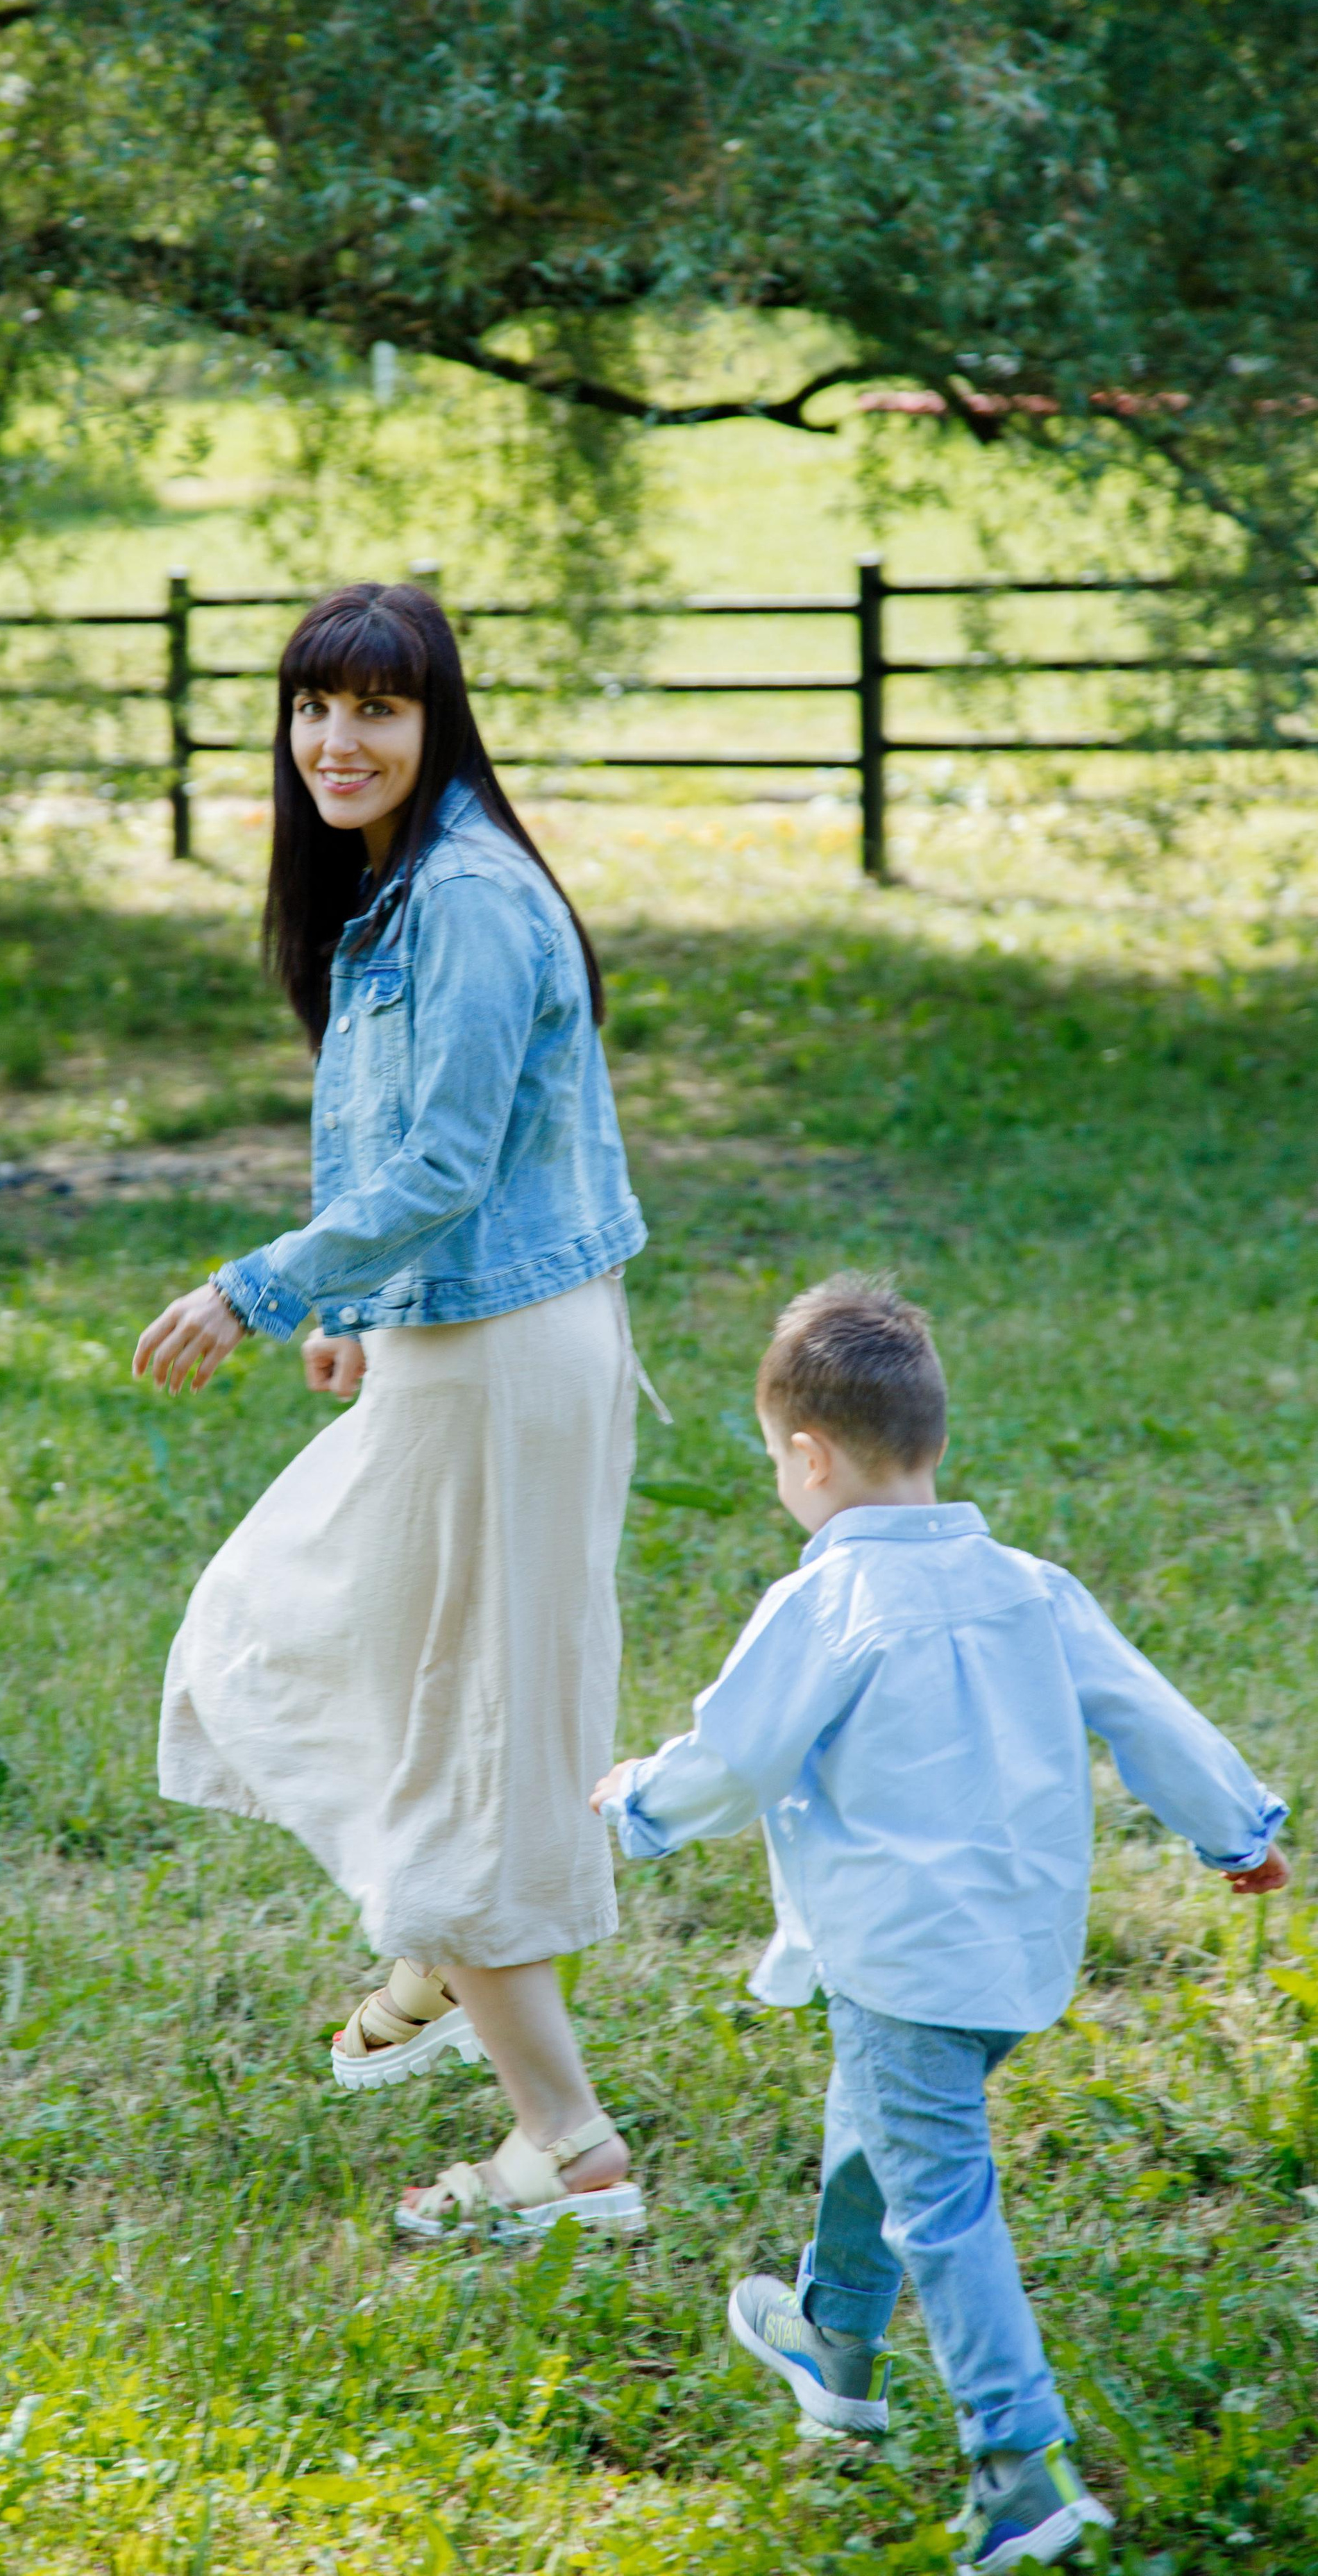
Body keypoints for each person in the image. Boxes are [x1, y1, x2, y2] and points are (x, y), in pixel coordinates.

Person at [591, 1274, 1288, 2575]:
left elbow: (737, 1761)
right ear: (933, 1444)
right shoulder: (1035, 1586)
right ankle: (836, 2343)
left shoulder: (823, 1604)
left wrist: (636, 1804)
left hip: (899, 1956)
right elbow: (1152, 1716)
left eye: (775, 1466)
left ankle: (1021, 2472)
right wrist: (1237, 1829)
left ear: (806, 1457)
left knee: (945, 2204)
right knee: (891, 2124)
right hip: (1015, 1953)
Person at [135, 580, 651, 2239]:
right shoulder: (406, 890)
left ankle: (563, 2151)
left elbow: (439, 1160)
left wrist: (259, 1287)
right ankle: (442, 1952)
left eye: (375, 710)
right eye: (311, 708)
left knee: (457, 1727)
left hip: (508, 1357)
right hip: (473, 1335)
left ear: (437, 725)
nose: (334, 741)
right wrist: (365, 1305)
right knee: (316, 1634)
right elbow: (426, 1161)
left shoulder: (468, 902)